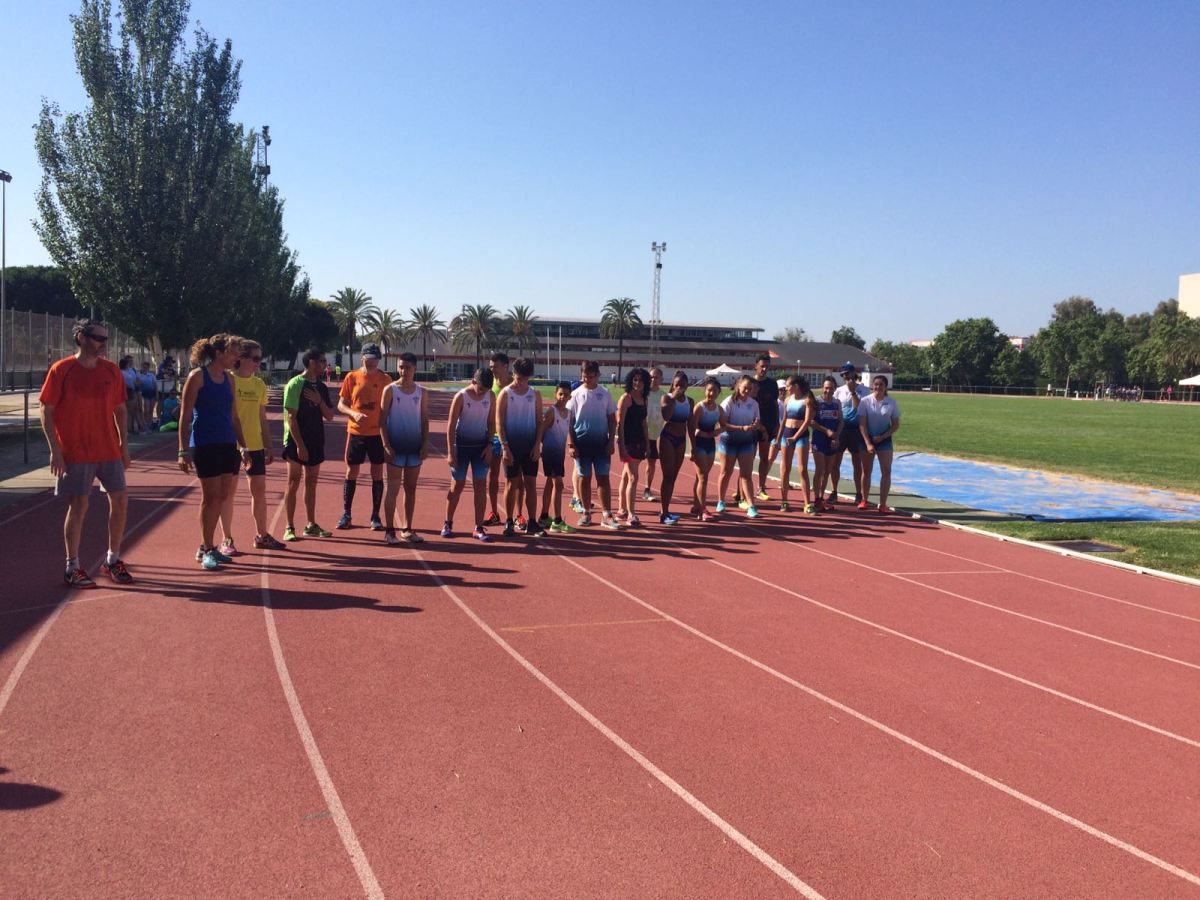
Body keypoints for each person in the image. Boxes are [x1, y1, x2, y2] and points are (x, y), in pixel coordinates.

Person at [39, 318, 134, 587]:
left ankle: (112, 559)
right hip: (75, 451)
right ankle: (72, 566)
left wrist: (124, 445)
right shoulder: (62, 370)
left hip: (108, 449)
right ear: (82, 337)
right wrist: (55, 450)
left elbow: (120, 409)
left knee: (120, 500)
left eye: (106, 339)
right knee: (79, 505)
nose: (104, 343)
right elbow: (46, 409)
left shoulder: (111, 370)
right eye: (98, 338)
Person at [178, 334, 245, 570]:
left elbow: (234, 416)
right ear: (219, 353)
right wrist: (182, 450)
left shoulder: (230, 379)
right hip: (205, 443)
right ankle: (207, 549)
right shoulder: (198, 377)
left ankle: (208, 545)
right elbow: (185, 415)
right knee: (211, 497)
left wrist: (244, 446)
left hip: (227, 443)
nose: (236, 357)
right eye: (233, 353)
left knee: (223, 496)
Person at [217, 339, 285, 553]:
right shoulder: (228, 381)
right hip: (231, 444)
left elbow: (262, 417)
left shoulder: (259, 385)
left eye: (260, 359)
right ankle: (227, 539)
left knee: (259, 491)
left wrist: (268, 444)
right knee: (228, 493)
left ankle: (262, 535)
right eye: (255, 358)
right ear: (241, 358)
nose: (258, 363)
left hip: (255, 445)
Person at [281, 348, 337, 542]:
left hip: (316, 440)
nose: (324, 365)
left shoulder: (321, 387)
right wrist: (300, 445)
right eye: (322, 361)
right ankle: (289, 526)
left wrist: (319, 401)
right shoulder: (295, 384)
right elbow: (291, 417)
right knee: (293, 482)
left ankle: (311, 524)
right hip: (296, 441)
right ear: (311, 362)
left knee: (311, 482)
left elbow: (329, 416)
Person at [336, 343, 391, 531]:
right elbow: (341, 404)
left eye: (376, 359)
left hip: (376, 434)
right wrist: (353, 413)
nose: (373, 362)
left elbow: (390, 406)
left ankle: (375, 516)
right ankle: (346, 514)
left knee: (377, 473)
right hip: (356, 433)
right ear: (362, 358)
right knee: (352, 472)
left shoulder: (386, 379)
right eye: (369, 358)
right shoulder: (351, 377)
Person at [379, 352, 429, 544]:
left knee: (411, 488)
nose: (403, 371)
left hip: (414, 447)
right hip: (395, 446)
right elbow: (382, 420)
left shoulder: (422, 392)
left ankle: (407, 529)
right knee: (393, 487)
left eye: (407, 367)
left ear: (415, 368)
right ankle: (389, 530)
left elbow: (424, 420)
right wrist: (386, 444)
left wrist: (425, 444)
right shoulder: (390, 390)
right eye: (400, 367)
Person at [566, 360, 621, 529]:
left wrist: (611, 441)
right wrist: (571, 444)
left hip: (601, 444)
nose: (587, 380)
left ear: (597, 375)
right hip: (581, 443)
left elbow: (611, 419)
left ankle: (607, 514)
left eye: (590, 376)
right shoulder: (575, 394)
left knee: (603, 478)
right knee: (584, 478)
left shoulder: (605, 393)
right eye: (584, 376)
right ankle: (586, 512)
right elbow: (570, 421)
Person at [442, 368, 495, 541]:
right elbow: (451, 426)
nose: (483, 393)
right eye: (481, 389)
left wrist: (489, 445)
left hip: (480, 447)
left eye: (486, 390)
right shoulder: (461, 397)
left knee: (480, 485)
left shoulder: (491, 396)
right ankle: (447, 522)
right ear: (473, 382)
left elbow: (491, 422)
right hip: (461, 447)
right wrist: (450, 452)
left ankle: (479, 527)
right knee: (457, 485)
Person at [497, 357, 545, 536]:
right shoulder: (505, 393)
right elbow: (499, 422)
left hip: (530, 446)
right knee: (511, 483)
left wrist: (537, 445)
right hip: (511, 446)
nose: (522, 382)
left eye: (525, 379)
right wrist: (505, 447)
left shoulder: (535, 394)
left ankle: (532, 522)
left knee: (531, 483)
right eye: (519, 378)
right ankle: (509, 521)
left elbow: (539, 422)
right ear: (513, 373)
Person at [716, 375, 761, 518]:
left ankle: (751, 506)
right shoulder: (729, 401)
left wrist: (755, 425)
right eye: (745, 388)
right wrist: (741, 428)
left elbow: (757, 422)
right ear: (738, 387)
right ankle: (721, 501)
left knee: (746, 475)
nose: (747, 391)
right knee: (726, 472)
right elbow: (723, 423)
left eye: (750, 389)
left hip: (746, 442)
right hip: (729, 441)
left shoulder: (754, 404)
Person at [773, 376, 817, 514]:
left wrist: (795, 437)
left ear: (796, 386)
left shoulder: (807, 400)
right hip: (787, 436)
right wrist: (778, 439)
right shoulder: (787, 400)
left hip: (800, 437)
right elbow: (784, 420)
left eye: (788, 386)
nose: (786, 388)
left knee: (802, 470)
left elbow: (807, 422)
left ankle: (807, 504)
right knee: (785, 469)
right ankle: (784, 501)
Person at [537, 381, 576, 534]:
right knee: (558, 485)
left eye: (566, 395)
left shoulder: (569, 413)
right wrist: (539, 447)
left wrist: (571, 445)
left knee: (550, 483)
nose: (562, 397)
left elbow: (569, 431)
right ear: (555, 394)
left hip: (559, 453)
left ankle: (544, 516)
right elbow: (541, 429)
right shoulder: (551, 411)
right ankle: (557, 521)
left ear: (570, 396)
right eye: (560, 394)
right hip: (550, 452)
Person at [859, 375, 901, 513]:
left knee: (886, 471)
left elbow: (895, 425)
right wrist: (868, 443)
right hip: (867, 439)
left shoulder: (891, 403)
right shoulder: (865, 401)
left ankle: (883, 504)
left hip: (884, 440)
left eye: (881, 384)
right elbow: (862, 424)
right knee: (866, 470)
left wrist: (883, 437)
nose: (878, 387)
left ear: (885, 386)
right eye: (876, 384)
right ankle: (864, 500)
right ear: (872, 385)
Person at [830, 362, 869, 506]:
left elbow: (861, 408)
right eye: (842, 375)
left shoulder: (864, 390)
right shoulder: (839, 391)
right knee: (835, 462)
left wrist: (853, 392)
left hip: (856, 430)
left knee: (857, 463)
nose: (845, 377)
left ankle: (859, 493)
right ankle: (834, 491)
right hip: (841, 429)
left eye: (847, 374)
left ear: (853, 373)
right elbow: (834, 408)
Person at [657, 370, 692, 524]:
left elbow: (691, 425)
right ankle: (664, 513)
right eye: (677, 384)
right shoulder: (666, 398)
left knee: (674, 477)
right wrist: (674, 398)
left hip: (681, 440)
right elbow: (666, 416)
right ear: (673, 384)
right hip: (667, 438)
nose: (680, 388)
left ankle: (667, 511)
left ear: (687, 386)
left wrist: (693, 446)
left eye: (682, 385)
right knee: (668, 476)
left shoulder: (690, 401)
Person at [616, 367, 650, 526]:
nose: (638, 383)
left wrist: (648, 444)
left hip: (640, 442)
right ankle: (631, 514)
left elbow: (644, 423)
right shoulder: (626, 398)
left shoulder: (644, 399)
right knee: (633, 477)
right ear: (631, 380)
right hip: (628, 442)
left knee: (626, 476)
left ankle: (622, 508)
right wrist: (622, 447)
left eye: (641, 380)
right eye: (635, 380)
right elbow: (620, 424)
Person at [689, 376, 726, 521]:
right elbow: (692, 428)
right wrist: (693, 447)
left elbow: (724, 425)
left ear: (718, 393)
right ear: (705, 391)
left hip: (710, 445)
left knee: (701, 477)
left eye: (715, 391)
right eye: (709, 390)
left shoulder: (719, 409)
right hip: (699, 445)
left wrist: (718, 431)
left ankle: (696, 505)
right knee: (704, 477)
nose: (711, 393)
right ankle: (703, 509)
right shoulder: (699, 408)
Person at [484, 352, 512, 526]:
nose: (492, 370)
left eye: (495, 367)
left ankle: (516, 515)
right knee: (493, 476)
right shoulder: (489, 385)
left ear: (505, 366)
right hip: (494, 437)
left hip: (512, 437)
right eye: (491, 367)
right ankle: (494, 512)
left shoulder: (514, 385)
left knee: (513, 479)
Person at [811, 377, 843, 511]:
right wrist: (826, 431)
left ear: (835, 389)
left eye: (831, 388)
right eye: (826, 388)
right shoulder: (817, 402)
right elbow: (811, 421)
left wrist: (836, 436)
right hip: (819, 440)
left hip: (832, 441)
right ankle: (816, 498)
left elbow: (841, 421)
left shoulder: (837, 403)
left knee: (828, 471)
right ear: (822, 387)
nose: (828, 390)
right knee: (820, 469)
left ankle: (821, 497)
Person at [751, 354, 780, 502]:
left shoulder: (772, 384)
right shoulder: (749, 383)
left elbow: (775, 404)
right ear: (756, 366)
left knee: (764, 458)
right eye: (762, 366)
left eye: (767, 367)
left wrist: (777, 423)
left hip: (768, 426)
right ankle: (741, 490)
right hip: (751, 426)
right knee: (747, 458)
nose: (764, 369)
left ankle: (761, 488)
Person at [642, 367, 665, 501]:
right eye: (651, 377)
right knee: (632, 464)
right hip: (640, 434)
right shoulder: (642, 394)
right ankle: (626, 490)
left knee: (651, 463)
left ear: (661, 379)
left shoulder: (664, 396)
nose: (653, 380)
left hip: (655, 435)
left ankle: (647, 489)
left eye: (656, 377)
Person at [119, 356, 144, 436]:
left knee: (133, 410)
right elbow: (130, 382)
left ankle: (132, 427)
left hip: (131, 391)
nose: (130, 363)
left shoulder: (130, 371)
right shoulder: (123, 373)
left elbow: (137, 380)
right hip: (128, 391)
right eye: (128, 362)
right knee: (129, 411)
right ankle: (129, 429)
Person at [137, 361, 158, 431]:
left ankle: (150, 423)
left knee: (151, 410)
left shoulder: (151, 375)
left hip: (152, 394)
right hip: (144, 394)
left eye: (146, 367)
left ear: (148, 368)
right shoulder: (139, 375)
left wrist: (157, 394)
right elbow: (138, 385)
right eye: (143, 367)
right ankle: (145, 424)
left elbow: (155, 385)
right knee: (146, 410)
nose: (144, 369)